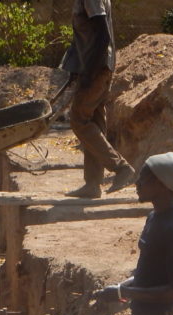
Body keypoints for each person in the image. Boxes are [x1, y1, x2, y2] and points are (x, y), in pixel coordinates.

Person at [94, 152, 173, 315]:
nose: (137, 183)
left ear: (161, 184)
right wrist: (123, 286)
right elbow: (153, 271)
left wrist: (124, 292)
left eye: (143, 178)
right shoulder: (154, 218)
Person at [60, 0, 136, 199]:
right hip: (100, 67)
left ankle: (121, 168)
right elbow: (87, 36)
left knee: (79, 120)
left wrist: (88, 72)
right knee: (94, 122)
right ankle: (93, 184)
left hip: (96, 69)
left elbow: (102, 35)